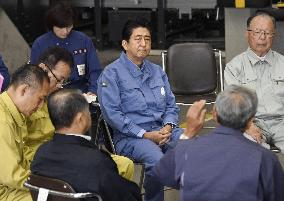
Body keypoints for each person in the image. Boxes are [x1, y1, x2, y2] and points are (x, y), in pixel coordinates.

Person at [97, 18, 184, 201]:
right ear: (125, 44)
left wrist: (168, 126)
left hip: (164, 131)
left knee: (195, 148)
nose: (144, 44)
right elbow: (113, 116)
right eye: (138, 39)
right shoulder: (111, 74)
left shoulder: (157, 71)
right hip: (131, 137)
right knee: (157, 161)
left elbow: (171, 105)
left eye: (147, 39)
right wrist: (145, 134)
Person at [153, 85, 284, 201]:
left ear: (214, 114)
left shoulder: (189, 149)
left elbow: (162, 173)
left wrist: (188, 133)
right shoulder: (265, 159)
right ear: (251, 119)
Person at [27, 46, 134, 180]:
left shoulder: (54, 97)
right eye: (58, 79)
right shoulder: (27, 101)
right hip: (47, 161)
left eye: (64, 81)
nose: (60, 85)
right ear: (43, 68)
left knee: (124, 164)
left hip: (65, 151)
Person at [31, 89, 142, 201]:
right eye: (88, 111)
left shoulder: (41, 154)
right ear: (81, 118)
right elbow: (129, 196)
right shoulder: (97, 161)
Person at [224, 11, 284, 153]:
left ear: (273, 35)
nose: (262, 38)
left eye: (267, 33)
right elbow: (233, 106)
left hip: (281, 122)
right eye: (257, 32)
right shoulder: (234, 67)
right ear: (247, 34)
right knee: (250, 152)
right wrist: (247, 126)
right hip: (251, 123)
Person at [0, 64, 49, 201]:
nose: (40, 107)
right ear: (24, 90)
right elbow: (12, 176)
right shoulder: (3, 121)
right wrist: (50, 183)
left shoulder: (14, 114)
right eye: (40, 99)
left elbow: (22, 162)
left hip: (12, 187)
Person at [30, 2, 102, 95]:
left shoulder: (83, 40)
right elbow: (34, 75)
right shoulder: (40, 44)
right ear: (52, 25)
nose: (65, 31)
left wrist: (93, 91)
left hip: (80, 91)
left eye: (69, 26)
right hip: (51, 93)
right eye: (60, 28)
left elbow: (95, 70)